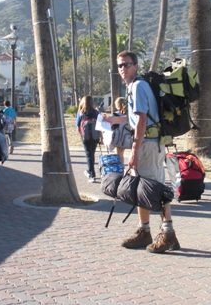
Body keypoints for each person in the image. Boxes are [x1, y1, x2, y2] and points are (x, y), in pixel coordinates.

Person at [105, 50, 180, 253]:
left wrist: (135, 151)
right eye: (119, 65)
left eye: (126, 64)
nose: (122, 69)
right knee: (141, 188)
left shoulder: (138, 86)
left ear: (136, 66)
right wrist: (116, 120)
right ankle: (144, 231)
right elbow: (135, 119)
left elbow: (142, 120)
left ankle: (168, 234)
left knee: (156, 189)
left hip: (148, 144)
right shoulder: (133, 87)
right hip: (146, 142)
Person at [76, 95, 100, 183]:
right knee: (92, 154)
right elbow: (100, 124)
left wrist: (81, 134)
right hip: (95, 137)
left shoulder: (81, 113)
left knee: (88, 155)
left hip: (85, 137)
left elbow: (78, 126)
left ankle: (91, 174)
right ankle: (91, 171)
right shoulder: (96, 112)